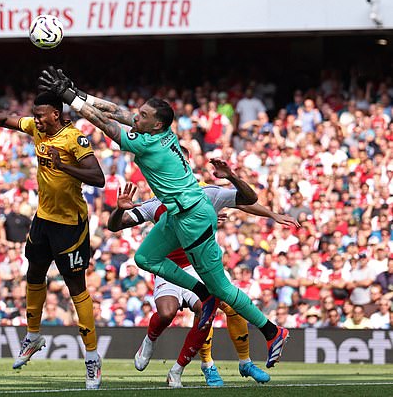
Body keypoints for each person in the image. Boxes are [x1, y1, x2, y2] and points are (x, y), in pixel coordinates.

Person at [39, 67, 290, 370]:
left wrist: (69, 98)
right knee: (145, 257)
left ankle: (272, 331)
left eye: (143, 115)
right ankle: (199, 290)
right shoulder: (162, 132)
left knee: (222, 289)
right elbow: (117, 111)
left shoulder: (146, 143)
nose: (137, 117)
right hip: (177, 214)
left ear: (155, 124)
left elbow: (105, 122)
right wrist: (79, 93)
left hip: (194, 217)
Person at [108, 162, 299, 387]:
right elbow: (115, 226)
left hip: (195, 266)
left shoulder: (205, 193)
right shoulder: (155, 204)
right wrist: (120, 208)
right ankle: (150, 340)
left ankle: (198, 367)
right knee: (168, 313)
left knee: (212, 306)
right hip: (168, 268)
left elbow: (244, 201)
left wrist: (270, 213)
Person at [0, 92, 105, 390]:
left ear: (56, 114)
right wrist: (0, 120)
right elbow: (16, 122)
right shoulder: (37, 128)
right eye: (35, 114)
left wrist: (62, 166)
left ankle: (92, 357)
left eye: (41, 115)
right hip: (43, 219)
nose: (36, 119)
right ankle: (33, 336)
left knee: (76, 286)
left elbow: (98, 177)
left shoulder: (75, 139)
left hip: (71, 225)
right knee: (34, 274)